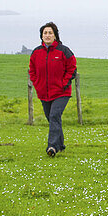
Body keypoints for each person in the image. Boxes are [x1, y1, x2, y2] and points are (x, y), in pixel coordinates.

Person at [28, 22, 77, 157]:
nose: (48, 35)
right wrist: (37, 84)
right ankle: (60, 144)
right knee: (52, 119)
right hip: (44, 92)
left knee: (54, 116)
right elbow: (32, 71)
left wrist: (64, 83)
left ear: (55, 35)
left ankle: (52, 147)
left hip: (61, 92)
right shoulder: (36, 52)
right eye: (45, 33)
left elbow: (72, 68)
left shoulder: (64, 51)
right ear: (41, 36)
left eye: (50, 33)